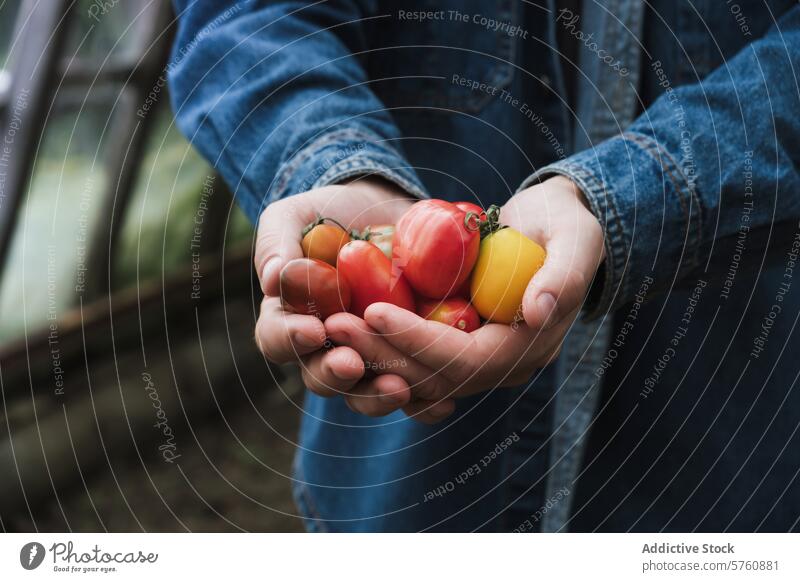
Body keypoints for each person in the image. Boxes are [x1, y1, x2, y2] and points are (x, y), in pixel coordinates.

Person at [169, 0, 800, 532]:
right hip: (404, 487)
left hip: (717, 468)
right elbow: (245, 19)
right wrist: (328, 162)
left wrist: (621, 198)